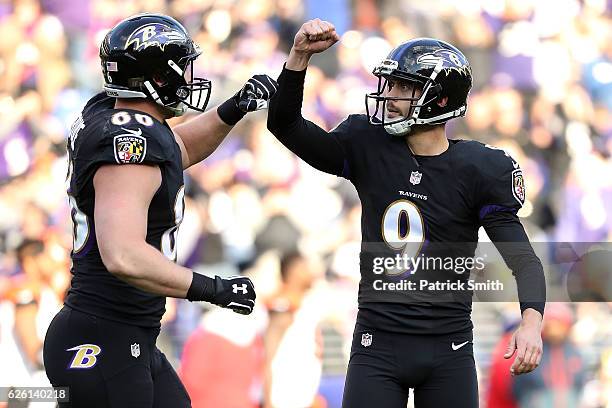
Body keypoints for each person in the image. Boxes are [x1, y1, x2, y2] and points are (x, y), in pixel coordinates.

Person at [267, 19, 546, 408]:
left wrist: (531, 322)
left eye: (403, 86)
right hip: (377, 344)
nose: (389, 95)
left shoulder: (479, 168)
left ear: (441, 100)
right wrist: (298, 58)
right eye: (391, 84)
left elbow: (523, 260)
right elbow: (285, 124)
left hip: (449, 349)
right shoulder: (367, 143)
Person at [43, 13, 277, 408]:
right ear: (158, 75)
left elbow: (175, 150)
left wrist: (234, 108)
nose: (188, 78)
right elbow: (123, 255)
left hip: (124, 335)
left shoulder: (116, 113)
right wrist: (213, 289)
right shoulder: (129, 144)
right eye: (182, 68)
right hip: (102, 339)